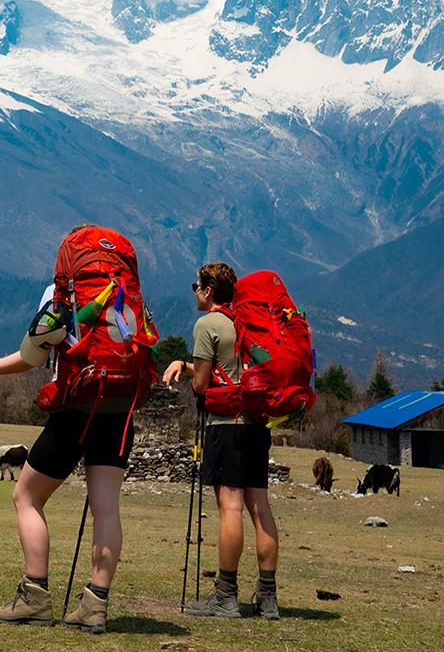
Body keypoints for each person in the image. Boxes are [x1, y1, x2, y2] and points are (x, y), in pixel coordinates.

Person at [0, 230, 140, 634]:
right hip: (119, 411)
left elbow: (33, 355)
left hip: (76, 410)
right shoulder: (128, 295)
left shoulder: (60, 295)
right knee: (107, 509)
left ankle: (36, 598)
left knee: (26, 496)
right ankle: (95, 606)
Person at [161, 262, 280, 620]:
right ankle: (267, 597)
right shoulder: (247, 322)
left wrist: (187, 367)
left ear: (209, 291)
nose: (194, 290)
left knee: (229, 507)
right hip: (258, 424)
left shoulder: (208, 324)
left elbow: (201, 385)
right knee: (260, 508)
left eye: (196, 285)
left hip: (226, 424)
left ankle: (226, 595)